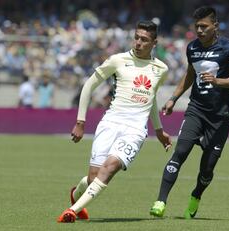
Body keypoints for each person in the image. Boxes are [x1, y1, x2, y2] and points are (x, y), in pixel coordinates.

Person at [57, 20, 172, 223]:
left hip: (135, 129)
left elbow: (151, 98)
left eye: (144, 40)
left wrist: (159, 130)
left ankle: (72, 211)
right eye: (136, 37)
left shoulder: (161, 69)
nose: (138, 42)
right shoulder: (117, 60)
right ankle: (77, 193)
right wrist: (80, 121)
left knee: (109, 168)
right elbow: (89, 86)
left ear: (154, 42)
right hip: (110, 123)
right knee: (93, 178)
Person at [149, 6, 229, 219]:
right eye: (197, 27)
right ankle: (160, 202)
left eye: (204, 26)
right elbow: (190, 74)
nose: (200, 31)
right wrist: (174, 98)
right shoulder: (192, 47)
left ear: (215, 26)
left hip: (220, 117)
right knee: (180, 152)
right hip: (196, 110)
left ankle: (196, 195)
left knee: (207, 169)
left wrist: (218, 81)